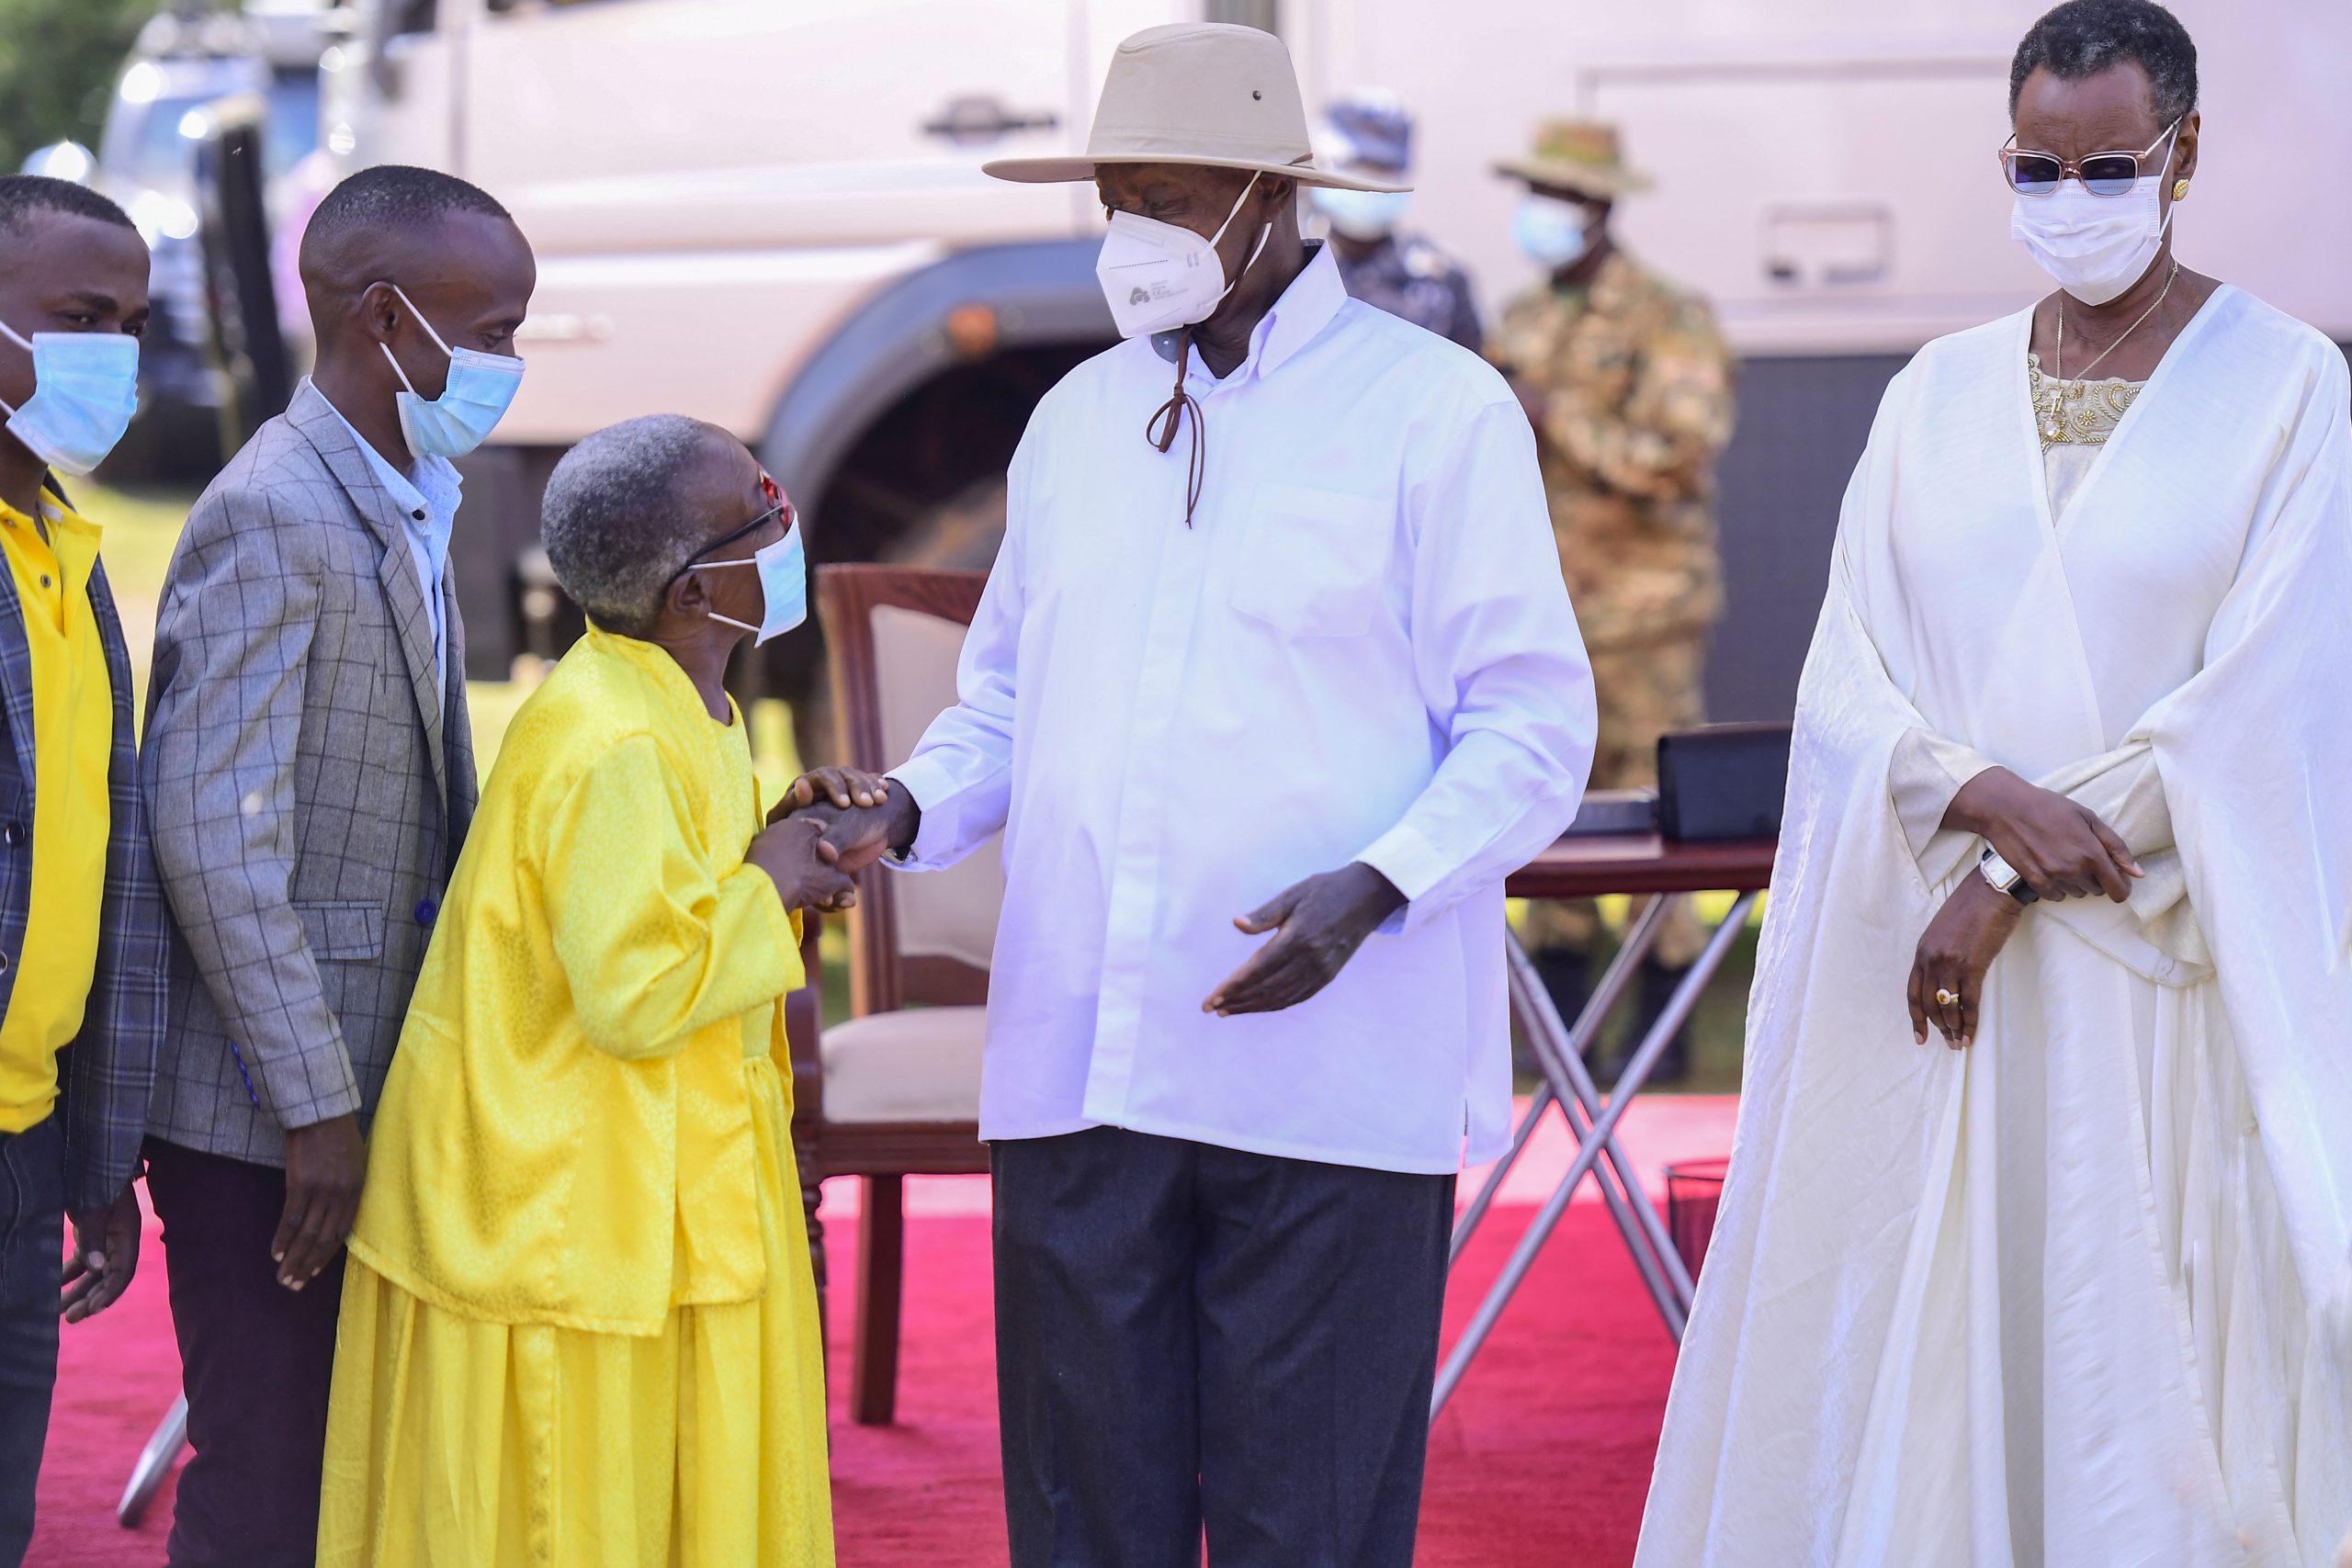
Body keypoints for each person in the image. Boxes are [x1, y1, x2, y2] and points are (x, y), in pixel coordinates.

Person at [800, 23, 1596, 1566]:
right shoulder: (1078, 421)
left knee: (1310, 1522)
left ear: (1265, 196)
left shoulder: (1437, 414)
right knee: (1087, 1523)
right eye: (1115, 202)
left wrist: (1376, 886)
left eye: (1166, 199)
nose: (1133, 238)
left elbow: (1530, 725)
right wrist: (898, 808)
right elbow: (1009, 704)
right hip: (1082, 1070)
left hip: (1324, 1075)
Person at [1637, 4, 2352, 1562]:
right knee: (1951, 1345)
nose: (2071, 195)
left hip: (2156, 978)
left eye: (2109, 163)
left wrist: (2007, 876)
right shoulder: (1933, 391)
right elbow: (1848, 677)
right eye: (2039, 164)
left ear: (2186, 155)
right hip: (1944, 1002)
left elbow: (2261, 703)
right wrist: (1969, 794)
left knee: (2132, 1352)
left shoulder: (2291, 388)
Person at [317, 416, 848, 1565]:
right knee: (579, 1511)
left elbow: (666, 894)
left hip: (660, 1168)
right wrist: (771, 889)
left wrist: (776, 843)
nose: (787, 519)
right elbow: (633, 990)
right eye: (763, 508)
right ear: (698, 592)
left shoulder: (673, 698)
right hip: (569, 1208)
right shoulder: (613, 737)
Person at [141, 164, 534, 1568]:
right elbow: (211, 829)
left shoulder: (404, 488)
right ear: (385, 317)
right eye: (488, 333)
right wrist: (313, 1103)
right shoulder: (276, 514)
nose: (506, 365)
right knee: (270, 1470)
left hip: (367, 1082)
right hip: (267, 1111)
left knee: (349, 1465)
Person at [1488, 119, 1735, 1080]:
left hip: (1644, 616)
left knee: (1652, 816)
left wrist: (1559, 417)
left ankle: (1659, 1043)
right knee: (1551, 806)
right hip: (1542, 614)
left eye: (1553, 194)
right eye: (1531, 190)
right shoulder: (1519, 319)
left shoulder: (1670, 319)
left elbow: (1680, 456)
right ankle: (1560, 1039)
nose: (1536, 213)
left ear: (1597, 206)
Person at [0, 175, 164, 1568]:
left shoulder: (69, 548)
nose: (111, 351)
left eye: (128, 321)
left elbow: (93, 868)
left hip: (28, 1125)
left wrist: (93, 1160)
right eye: (76, 317)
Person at [1310, 90, 1483, 351]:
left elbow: (1470, 375)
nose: (1370, 182)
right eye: (1359, 166)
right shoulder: (1289, 263)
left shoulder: (1440, 277)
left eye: (1385, 169)